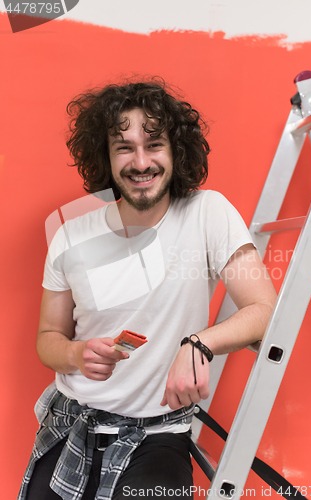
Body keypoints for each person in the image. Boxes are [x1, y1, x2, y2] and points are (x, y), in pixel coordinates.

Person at [18, 79, 277, 500]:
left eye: (154, 144)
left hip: (157, 436)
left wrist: (198, 343)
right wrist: (75, 355)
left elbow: (265, 310)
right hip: (71, 424)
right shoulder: (69, 234)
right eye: (124, 147)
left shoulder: (207, 213)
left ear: (176, 149)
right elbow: (48, 337)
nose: (141, 162)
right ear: (106, 156)